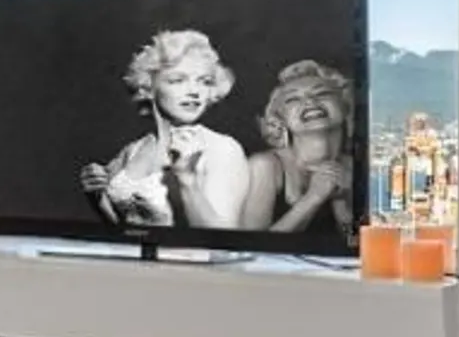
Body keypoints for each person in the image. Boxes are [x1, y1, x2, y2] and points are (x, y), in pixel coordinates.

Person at [82, 28, 253, 231]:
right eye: (178, 80)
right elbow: (127, 230)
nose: (194, 92)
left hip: (188, 263)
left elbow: (222, 239)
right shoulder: (133, 150)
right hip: (137, 262)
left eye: (204, 81)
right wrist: (97, 197)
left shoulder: (222, 148)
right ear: (148, 87)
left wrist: (187, 181)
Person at [246, 60, 361, 241]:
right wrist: (313, 197)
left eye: (322, 93)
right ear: (280, 119)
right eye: (293, 99)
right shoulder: (265, 166)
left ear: (345, 106)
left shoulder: (357, 167)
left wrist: (343, 202)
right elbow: (249, 246)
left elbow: (358, 249)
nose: (309, 101)